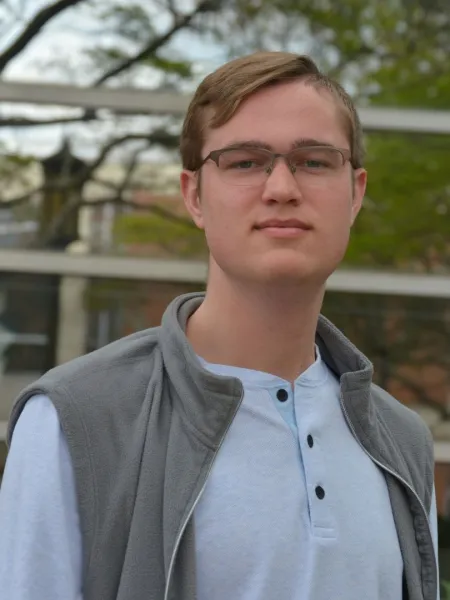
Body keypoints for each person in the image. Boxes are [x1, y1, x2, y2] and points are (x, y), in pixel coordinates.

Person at [0, 52, 440, 600]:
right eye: (244, 162)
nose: (281, 187)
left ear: (355, 192)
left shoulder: (400, 441)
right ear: (193, 196)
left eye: (315, 160)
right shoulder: (76, 421)